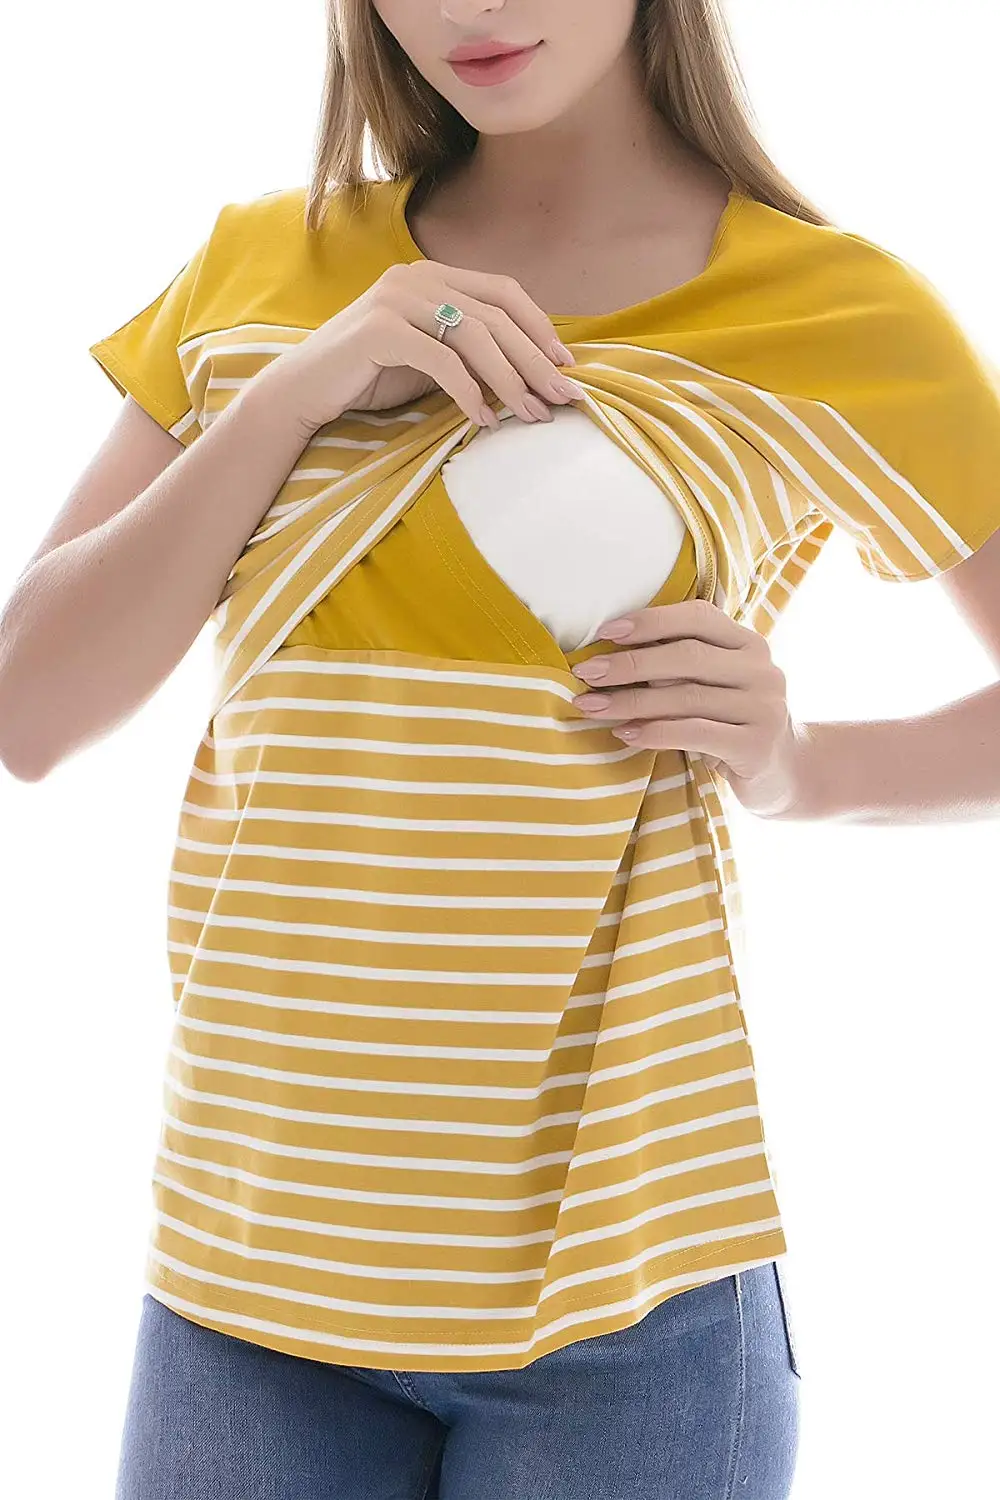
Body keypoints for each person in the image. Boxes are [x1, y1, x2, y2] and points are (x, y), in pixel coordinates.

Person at [2, 2, 999, 1497]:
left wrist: (801, 765)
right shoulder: (262, 265)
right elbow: (27, 712)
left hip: (628, 1294)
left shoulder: (836, 310)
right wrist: (294, 392)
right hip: (247, 1269)